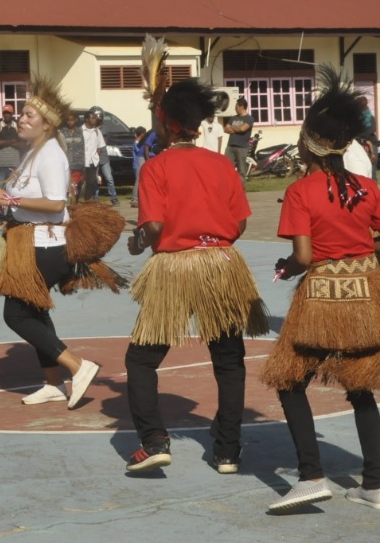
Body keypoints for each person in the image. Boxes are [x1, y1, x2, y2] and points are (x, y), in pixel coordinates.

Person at [263, 69, 380, 514]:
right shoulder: (367, 187)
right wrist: (358, 248)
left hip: (322, 294)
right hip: (369, 292)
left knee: (290, 380)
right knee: (361, 388)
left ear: (310, 146)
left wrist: (295, 263)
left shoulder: (301, 191)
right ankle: (373, 485)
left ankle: (311, 475)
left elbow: (301, 257)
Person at [123, 79, 267, 473]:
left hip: (175, 266)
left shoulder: (156, 167)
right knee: (228, 360)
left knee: (141, 360)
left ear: (167, 124)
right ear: (198, 125)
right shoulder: (221, 164)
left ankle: (154, 441)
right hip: (221, 263)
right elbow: (238, 223)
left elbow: (153, 227)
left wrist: (138, 240)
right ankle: (227, 452)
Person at [0, 77, 101, 409]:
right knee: (36, 312)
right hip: (30, 242)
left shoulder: (49, 154)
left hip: (47, 245)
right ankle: (52, 383)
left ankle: (77, 366)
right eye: (21, 114)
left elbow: (55, 204)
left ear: (47, 125)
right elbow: (23, 200)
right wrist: (1, 198)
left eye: (30, 115)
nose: (21, 119)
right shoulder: (32, 154)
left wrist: (12, 201)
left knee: (16, 315)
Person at [60, 111, 87, 204]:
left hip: (78, 165)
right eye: (68, 120)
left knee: (76, 187)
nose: (70, 122)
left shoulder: (80, 131)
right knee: (67, 188)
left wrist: (83, 164)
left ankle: (74, 205)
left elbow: (83, 147)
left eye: (72, 120)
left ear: (75, 120)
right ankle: (67, 206)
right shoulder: (61, 132)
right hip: (66, 165)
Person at [225, 98, 254, 177]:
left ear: (242, 107)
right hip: (230, 146)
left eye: (236, 106)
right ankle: (229, 188)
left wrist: (232, 127)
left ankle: (241, 188)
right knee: (226, 168)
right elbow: (226, 129)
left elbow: (243, 129)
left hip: (242, 148)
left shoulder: (249, 118)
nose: (235, 108)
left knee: (241, 170)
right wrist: (237, 129)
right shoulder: (233, 118)